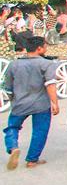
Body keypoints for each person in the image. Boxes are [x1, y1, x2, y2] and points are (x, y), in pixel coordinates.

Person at [3, 36, 58, 170]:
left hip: (19, 104)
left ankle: (13, 147)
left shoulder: (13, 64)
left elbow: (8, 88)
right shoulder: (47, 64)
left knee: (12, 127)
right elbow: (50, 85)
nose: (46, 48)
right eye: (45, 46)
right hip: (41, 105)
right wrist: (55, 103)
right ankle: (32, 160)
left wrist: (13, 101)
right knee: (40, 131)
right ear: (39, 48)